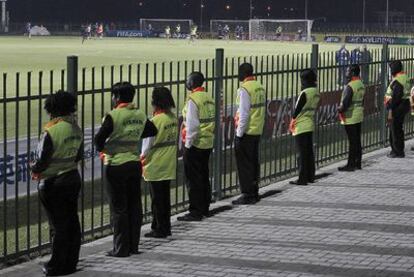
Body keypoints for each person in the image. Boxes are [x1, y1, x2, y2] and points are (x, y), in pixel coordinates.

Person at [94, 82, 157, 257]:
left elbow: (98, 140)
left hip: (115, 165)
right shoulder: (139, 113)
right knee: (134, 205)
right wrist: (132, 136)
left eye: (113, 96)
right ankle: (133, 246)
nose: (112, 99)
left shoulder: (113, 116)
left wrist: (109, 147)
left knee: (119, 208)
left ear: (117, 97)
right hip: (134, 163)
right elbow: (152, 130)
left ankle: (121, 249)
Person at [30, 91, 83, 276]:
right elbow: (79, 155)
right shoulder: (76, 128)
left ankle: (56, 265)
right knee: (72, 222)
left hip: (53, 183)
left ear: (51, 110)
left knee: (58, 225)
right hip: (72, 178)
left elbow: (41, 160)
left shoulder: (51, 131)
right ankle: (71, 262)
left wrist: (34, 169)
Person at [178, 72, 215, 221]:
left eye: (188, 79)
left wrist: (187, 145)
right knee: (204, 175)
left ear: (192, 82)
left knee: (193, 179)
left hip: (196, 143)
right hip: (207, 142)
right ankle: (205, 207)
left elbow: (192, 126)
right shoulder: (208, 97)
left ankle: (195, 210)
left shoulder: (193, 100)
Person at [141, 87, 178, 238]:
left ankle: (160, 228)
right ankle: (161, 225)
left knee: (156, 199)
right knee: (164, 198)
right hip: (168, 163)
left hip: (155, 164)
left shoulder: (155, 121)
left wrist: (142, 159)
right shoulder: (173, 118)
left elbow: (146, 147)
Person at [232, 63, 266, 204]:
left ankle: (247, 194)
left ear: (243, 73)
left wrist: (239, 134)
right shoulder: (259, 86)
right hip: (257, 129)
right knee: (253, 162)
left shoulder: (244, 89)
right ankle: (254, 191)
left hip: (247, 131)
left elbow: (244, 114)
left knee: (244, 165)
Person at [288, 70, 320, 186]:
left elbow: (297, 110)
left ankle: (302, 178)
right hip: (310, 123)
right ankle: (311, 176)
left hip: (300, 125)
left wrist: (292, 121)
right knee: (309, 152)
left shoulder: (304, 93)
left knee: (301, 153)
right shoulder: (316, 92)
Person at [337, 65, 365, 171]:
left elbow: (346, 102)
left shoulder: (350, 86)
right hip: (358, 114)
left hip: (350, 116)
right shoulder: (361, 84)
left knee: (352, 142)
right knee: (357, 140)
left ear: (353, 73)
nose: (346, 73)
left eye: (348, 71)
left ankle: (351, 164)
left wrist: (340, 109)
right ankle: (358, 163)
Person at [384, 60, 411, 158]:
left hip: (397, 107)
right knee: (399, 128)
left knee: (394, 129)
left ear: (395, 68)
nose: (390, 70)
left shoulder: (398, 80)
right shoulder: (405, 77)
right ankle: (399, 149)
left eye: (391, 68)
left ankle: (397, 151)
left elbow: (395, 98)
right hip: (404, 104)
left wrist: (390, 111)